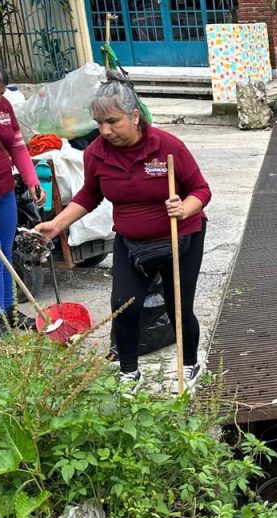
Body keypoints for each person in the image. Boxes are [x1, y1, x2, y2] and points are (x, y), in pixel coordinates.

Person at [35, 79, 211, 394]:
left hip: (180, 237)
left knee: (178, 307)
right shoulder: (96, 154)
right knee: (123, 306)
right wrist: (57, 224)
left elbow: (201, 189)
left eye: (112, 122)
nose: (104, 130)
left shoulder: (167, 147)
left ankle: (190, 365)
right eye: (99, 123)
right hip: (131, 243)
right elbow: (89, 195)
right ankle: (129, 372)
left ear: (134, 116)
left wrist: (184, 208)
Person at [0, 60, 46, 335]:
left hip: (4, 192)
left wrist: (32, 181)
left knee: (6, 253)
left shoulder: (3, 108)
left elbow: (17, 146)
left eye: (0, 94)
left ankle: (10, 312)